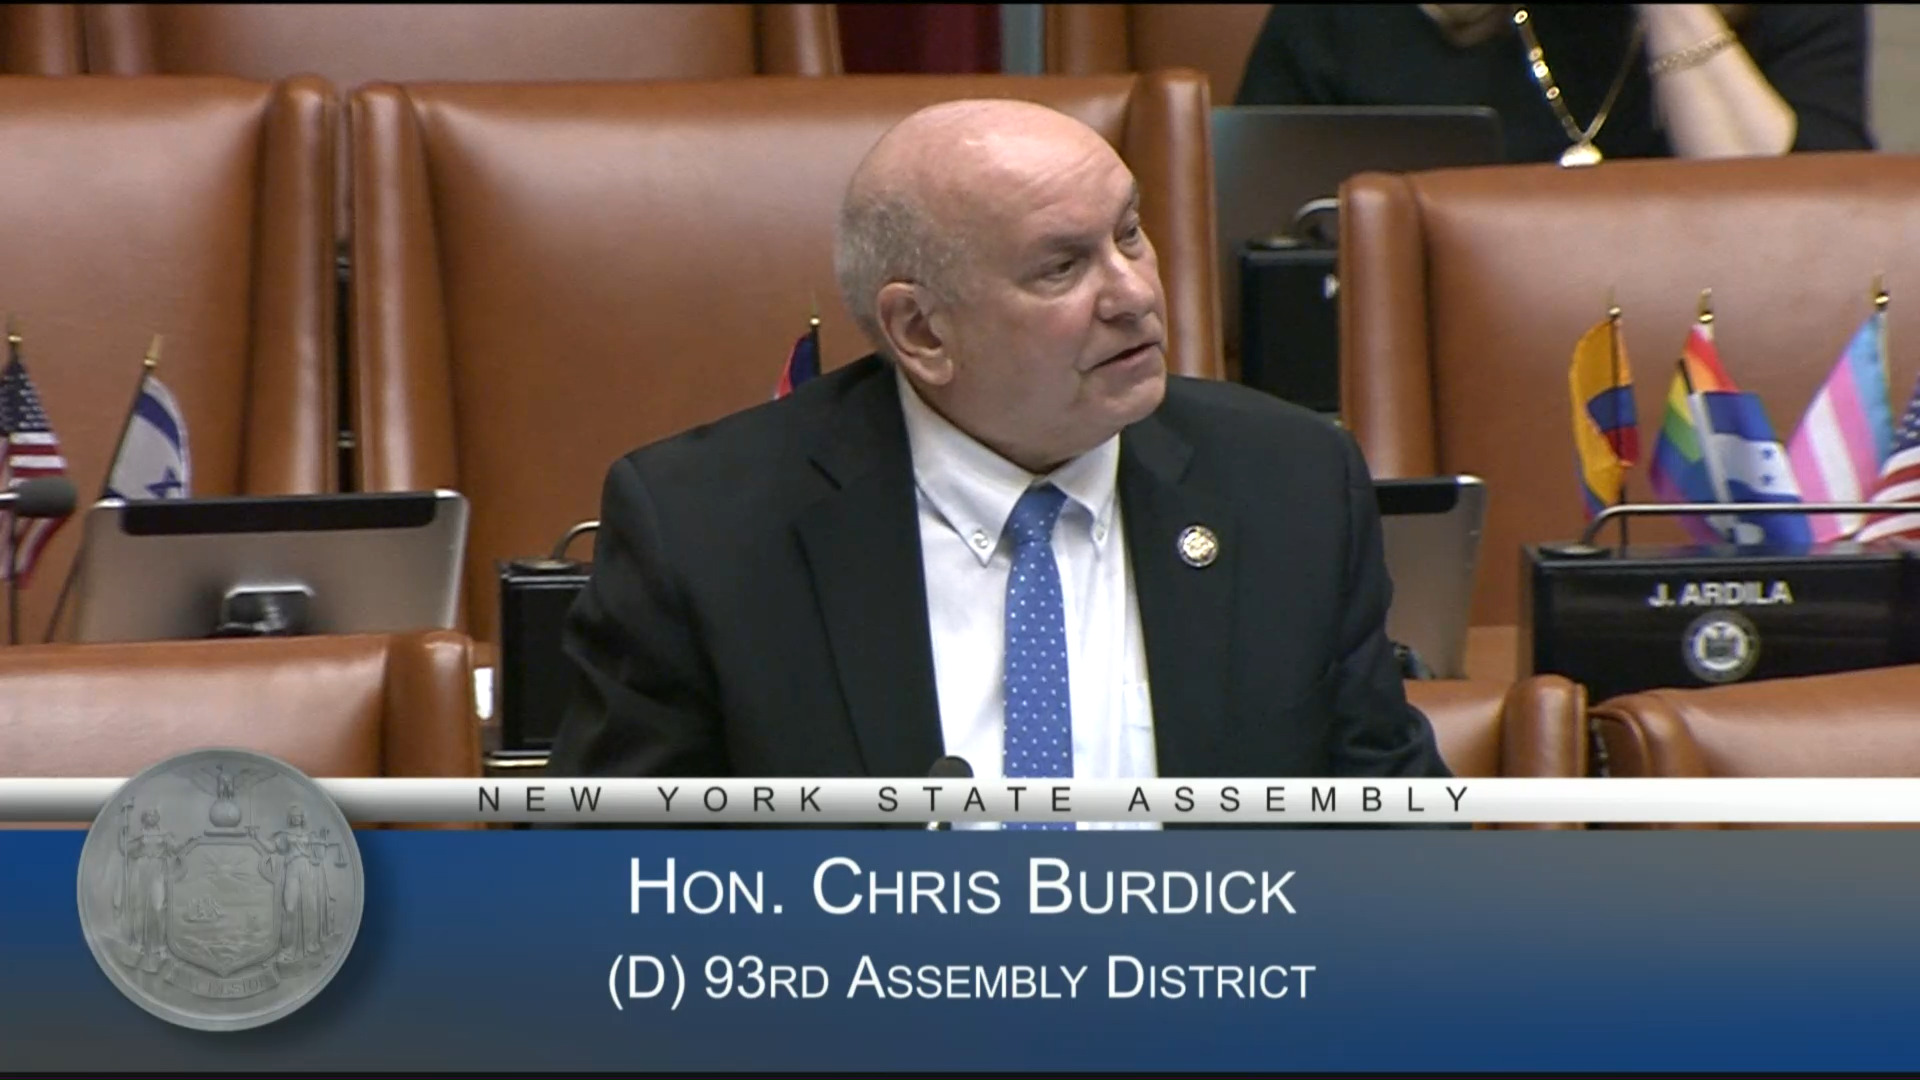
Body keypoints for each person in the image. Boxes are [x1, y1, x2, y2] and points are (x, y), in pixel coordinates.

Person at [547, 98, 1451, 795]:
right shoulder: (705, 531)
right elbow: (613, 890)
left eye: (1128, 234)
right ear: (921, 331)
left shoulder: (1289, 484)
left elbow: (1395, 837)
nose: (1134, 293)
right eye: (1061, 266)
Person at [1236, 5, 1873, 165]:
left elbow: (1805, 244)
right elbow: (1259, 268)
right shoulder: (1348, 22)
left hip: (1721, 381)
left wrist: (1672, 11)